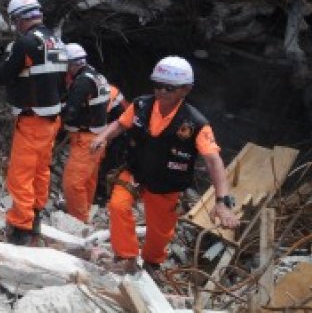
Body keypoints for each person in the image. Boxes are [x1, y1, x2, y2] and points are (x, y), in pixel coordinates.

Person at [89, 56, 240, 273]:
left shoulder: (195, 124)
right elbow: (121, 123)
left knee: (159, 232)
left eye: (168, 88)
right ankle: (126, 257)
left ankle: (152, 263)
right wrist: (103, 137)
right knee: (117, 206)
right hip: (135, 172)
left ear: (185, 90)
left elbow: (213, 161)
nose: (161, 92)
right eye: (156, 85)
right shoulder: (141, 104)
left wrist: (222, 202)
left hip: (166, 183)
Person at [0, 0, 67, 245]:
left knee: (21, 174)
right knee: (40, 170)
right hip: (51, 120)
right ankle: (35, 215)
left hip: (32, 118)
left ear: (18, 19)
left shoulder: (25, 44)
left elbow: (2, 74)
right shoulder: (56, 42)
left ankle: (20, 228)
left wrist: (6, 55)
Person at [60, 43, 112, 223]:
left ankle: (78, 221)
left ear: (71, 64)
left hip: (86, 139)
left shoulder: (82, 82)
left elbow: (71, 111)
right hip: (98, 138)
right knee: (88, 180)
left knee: (73, 183)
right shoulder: (96, 75)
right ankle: (84, 214)